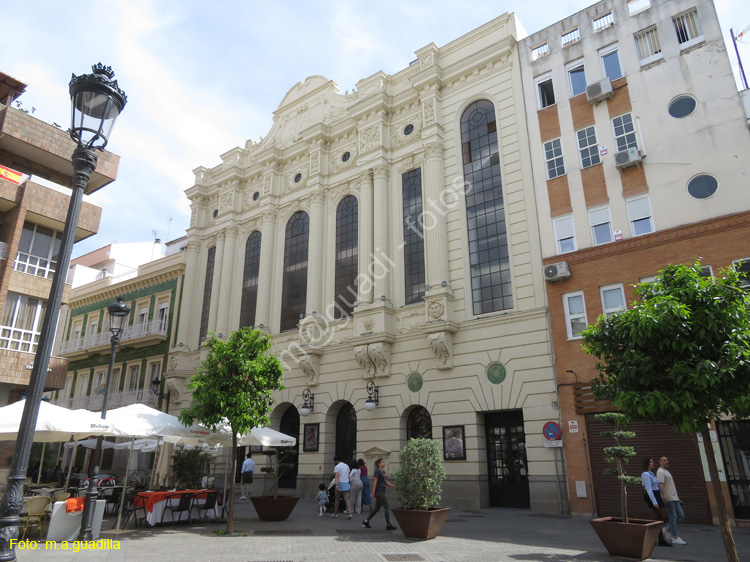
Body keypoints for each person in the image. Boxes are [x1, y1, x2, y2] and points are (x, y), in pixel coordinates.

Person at [641, 457, 671, 547]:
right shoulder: (646, 474)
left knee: (658, 518)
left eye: (652, 461)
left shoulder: (651, 474)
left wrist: (661, 497)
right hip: (653, 497)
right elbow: (649, 489)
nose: (652, 463)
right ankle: (650, 533)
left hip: (657, 496)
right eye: (650, 462)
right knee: (664, 517)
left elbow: (657, 486)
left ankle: (660, 539)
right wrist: (654, 502)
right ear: (646, 464)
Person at [657, 456, 686, 545]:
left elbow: (671, 486)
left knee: (680, 515)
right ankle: (674, 537)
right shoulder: (660, 471)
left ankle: (666, 529)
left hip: (674, 498)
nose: (667, 462)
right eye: (664, 460)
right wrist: (664, 496)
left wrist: (677, 497)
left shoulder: (666, 471)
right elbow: (660, 484)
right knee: (673, 517)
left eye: (667, 460)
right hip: (669, 498)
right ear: (660, 462)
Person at [362, 457, 397, 530]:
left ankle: (366, 521)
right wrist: (373, 493)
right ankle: (388, 524)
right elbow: (375, 482)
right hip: (379, 492)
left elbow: (386, 482)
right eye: (382, 462)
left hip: (381, 491)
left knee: (377, 509)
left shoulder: (383, 472)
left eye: (384, 462)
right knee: (387, 507)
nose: (384, 463)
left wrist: (393, 486)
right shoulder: (377, 471)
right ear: (379, 464)